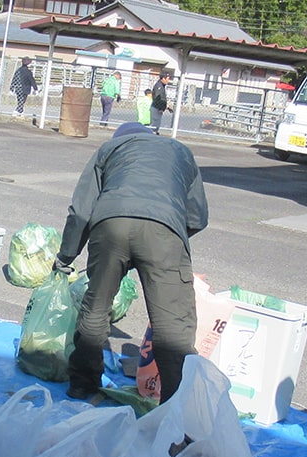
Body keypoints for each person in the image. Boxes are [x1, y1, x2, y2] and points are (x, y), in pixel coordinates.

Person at [53, 121, 209, 404]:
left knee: (96, 308)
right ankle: (174, 406)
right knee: (172, 327)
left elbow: (81, 212)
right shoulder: (180, 150)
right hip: (164, 231)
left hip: (110, 224)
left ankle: (81, 385)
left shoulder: (109, 148)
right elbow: (197, 217)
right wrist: (165, 241)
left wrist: (66, 256)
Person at [149, 69, 173, 133]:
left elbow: (162, 98)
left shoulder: (162, 86)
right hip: (156, 108)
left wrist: (166, 107)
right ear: (163, 78)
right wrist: (160, 108)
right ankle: (152, 135)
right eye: (167, 79)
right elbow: (157, 98)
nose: (168, 80)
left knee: (156, 123)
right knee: (155, 124)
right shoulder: (159, 86)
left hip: (158, 108)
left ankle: (154, 134)